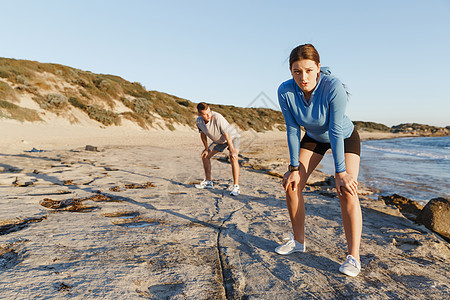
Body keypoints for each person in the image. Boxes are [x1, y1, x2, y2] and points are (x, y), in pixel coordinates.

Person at [275, 44, 363, 277]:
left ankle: (353, 257)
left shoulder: (332, 86)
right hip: (313, 138)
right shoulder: (285, 91)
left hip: (343, 137)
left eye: (308, 70)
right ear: (290, 70)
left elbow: (335, 130)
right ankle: (298, 241)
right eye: (296, 71)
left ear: (318, 68)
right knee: (292, 185)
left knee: (347, 190)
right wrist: (294, 168)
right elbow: (293, 129)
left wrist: (340, 173)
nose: (303, 77)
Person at [195, 102, 240, 196]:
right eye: (205, 114)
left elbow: (227, 134)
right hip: (219, 141)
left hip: (232, 137)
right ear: (199, 114)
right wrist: (206, 148)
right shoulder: (199, 121)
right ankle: (208, 182)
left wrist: (232, 150)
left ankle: (236, 187)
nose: (208, 115)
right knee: (205, 156)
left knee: (233, 157)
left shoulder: (217, 117)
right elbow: (203, 134)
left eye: (209, 112)